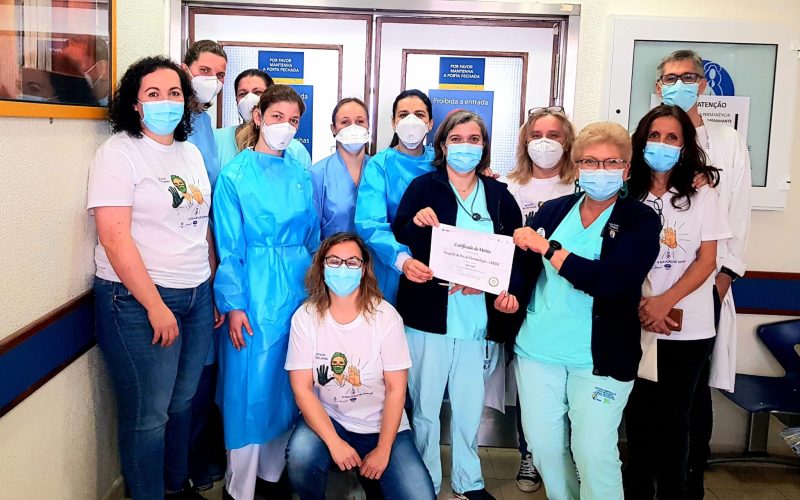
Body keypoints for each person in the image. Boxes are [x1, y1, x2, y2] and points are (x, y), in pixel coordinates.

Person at [87, 55, 222, 500]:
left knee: (182, 402)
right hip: (137, 300)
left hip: (196, 295)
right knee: (149, 416)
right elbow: (113, 237)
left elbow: (201, 226)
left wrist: (210, 287)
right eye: (154, 93)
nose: (166, 101)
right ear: (136, 103)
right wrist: (154, 305)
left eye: (175, 93)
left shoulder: (190, 153)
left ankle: (174, 486)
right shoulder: (119, 153)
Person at [510, 122, 661, 500]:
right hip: (538, 349)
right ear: (576, 167)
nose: (600, 170)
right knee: (544, 448)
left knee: (593, 453)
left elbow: (611, 282)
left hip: (600, 359)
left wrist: (549, 249)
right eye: (590, 161)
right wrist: (502, 291)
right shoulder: (552, 211)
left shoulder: (640, 220)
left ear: (627, 169)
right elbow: (523, 270)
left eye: (612, 162)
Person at [391, 110, 523, 500]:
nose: (465, 146)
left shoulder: (498, 195)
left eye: (474, 139)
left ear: (484, 147)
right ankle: (425, 482)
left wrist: (489, 284)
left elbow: (515, 252)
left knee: (468, 406)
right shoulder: (424, 187)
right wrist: (417, 221)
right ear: (443, 145)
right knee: (425, 406)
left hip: (475, 316)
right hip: (427, 315)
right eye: (457, 139)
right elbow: (401, 233)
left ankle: (470, 481)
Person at [213, 84, 320, 500]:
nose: (285, 127)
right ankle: (239, 488)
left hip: (299, 289)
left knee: (287, 386)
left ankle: (272, 480)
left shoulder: (300, 175)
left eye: (293, 120)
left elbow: (312, 237)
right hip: (253, 292)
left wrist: (317, 293)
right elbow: (229, 247)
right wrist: (234, 305)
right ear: (258, 117)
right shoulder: (234, 176)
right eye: (277, 117)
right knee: (248, 387)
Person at [655, 50, 752, 498]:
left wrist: (724, 276)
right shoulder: (650, 139)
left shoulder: (728, 142)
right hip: (652, 287)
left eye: (688, 76)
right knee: (649, 387)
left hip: (706, 283)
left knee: (692, 394)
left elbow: (740, 211)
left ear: (704, 83)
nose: (679, 84)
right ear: (659, 86)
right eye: (670, 77)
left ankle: (689, 482)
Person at [623, 105, 731, 500]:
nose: (662, 144)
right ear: (641, 141)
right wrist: (644, 306)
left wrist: (664, 302)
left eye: (672, 137)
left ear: (685, 146)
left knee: (675, 419)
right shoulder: (625, 191)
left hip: (688, 327)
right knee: (637, 418)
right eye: (654, 136)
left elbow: (707, 260)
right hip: (635, 321)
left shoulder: (701, 193)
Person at [284, 232, 435, 500]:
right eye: (334, 261)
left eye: (352, 262)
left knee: (420, 497)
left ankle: (372, 478)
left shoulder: (385, 317)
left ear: (364, 269)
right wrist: (334, 443)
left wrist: (383, 451)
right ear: (321, 267)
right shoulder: (306, 318)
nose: (343, 268)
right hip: (331, 418)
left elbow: (396, 389)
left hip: (382, 425)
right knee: (300, 457)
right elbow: (302, 389)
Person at [500, 105, 577, 493]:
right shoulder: (508, 186)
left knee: (571, 387)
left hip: (570, 299)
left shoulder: (581, 186)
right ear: (524, 141)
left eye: (554, 136)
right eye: (536, 135)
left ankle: (569, 458)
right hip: (524, 300)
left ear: (568, 142)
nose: (544, 143)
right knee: (531, 388)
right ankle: (529, 454)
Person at [354, 89, 436, 304]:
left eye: (419, 115)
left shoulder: (441, 162)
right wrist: (402, 260)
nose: (411, 121)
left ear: (430, 123)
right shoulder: (379, 165)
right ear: (393, 122)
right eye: (403, 115)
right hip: (391, 266)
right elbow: (370, 224)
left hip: (437, 266)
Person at [214, 68, 311, 169]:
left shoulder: (296, 151)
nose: (249, 99)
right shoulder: (217, 139)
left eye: (258, 92)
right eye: (243, 94)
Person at [311, 98, 371, 239]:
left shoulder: (380, 170)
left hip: (376, 253)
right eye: (345, 122)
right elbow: (312, 233)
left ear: (368, 126)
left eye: (360, 121)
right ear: (333, 129)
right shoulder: (317, 174)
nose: (353, 128)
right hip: (332, 252)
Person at [182, 40, 227, 188]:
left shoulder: (204, 119)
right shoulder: (173, 117)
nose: (213, 80)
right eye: (205, 70)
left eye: (220, 75)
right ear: (185, 70)